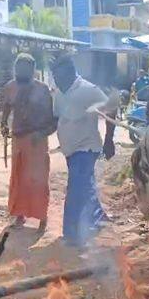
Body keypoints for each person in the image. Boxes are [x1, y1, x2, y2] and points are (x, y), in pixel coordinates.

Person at [50, 54, 116, 247]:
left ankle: (72, 234)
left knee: (76, 190)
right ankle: (98, 217)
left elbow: (111, 109)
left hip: (86, 148)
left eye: (60, 77)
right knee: (85, 185)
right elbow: (57, 119)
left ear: (71, 73)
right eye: (55, 77)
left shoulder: (88, 90)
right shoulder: (59, 93)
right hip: (70, 149)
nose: (57, 81)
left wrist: (109, 140)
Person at [1, 53, 56, 230]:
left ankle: (42, 217)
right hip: (18, 140)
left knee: (38, 180)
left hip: (37, 142)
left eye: (24, 68)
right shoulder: (10, 87)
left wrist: (41, 134)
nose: (20, 71)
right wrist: (3, 124)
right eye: (18, 67)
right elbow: (7, 107)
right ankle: (19, 214)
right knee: (19, 178)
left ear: (32, 70)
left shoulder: (43, 89)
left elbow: (52, 119)